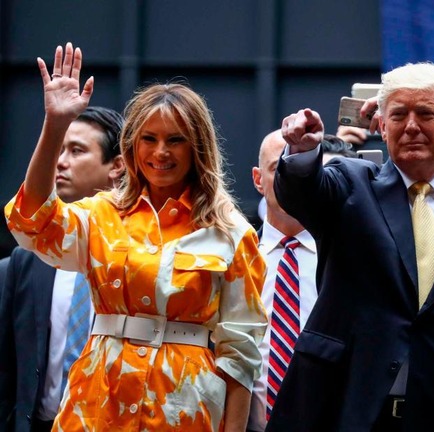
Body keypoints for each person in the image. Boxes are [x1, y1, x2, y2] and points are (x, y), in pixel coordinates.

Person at [4, 42, 267, 431]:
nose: (161, 152)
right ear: (130, 146)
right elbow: (31, 222)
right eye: (149, 139)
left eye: (175, 140)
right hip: (97, 403)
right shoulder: (100, 213)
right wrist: (55, 125)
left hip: (182, 408)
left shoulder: (231, 232)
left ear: (197, 148)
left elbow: (240, 354)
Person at [267, 62, 434, 431]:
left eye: (426, 113)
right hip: (350, 410)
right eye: (398, 115)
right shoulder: (350, 186)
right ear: (381, 125)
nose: (411, 126)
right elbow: (304, 193)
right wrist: (300, 152)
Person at [0, 105, 125, 432]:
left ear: (117, 167)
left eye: (77, 150)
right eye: (59, 149)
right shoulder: (27, 258)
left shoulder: (138, 256)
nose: (60, 161)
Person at [246, 131, 355, 431]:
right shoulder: (235, 259)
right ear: (258, 179)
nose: (289, 181)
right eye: (277, 169)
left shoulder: (350, 261)